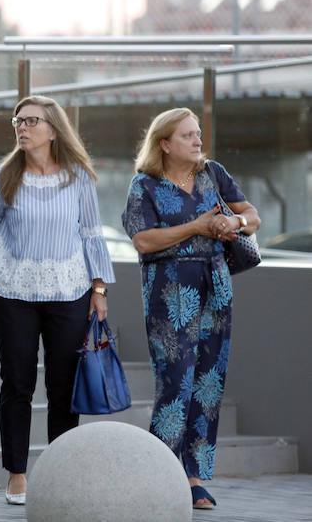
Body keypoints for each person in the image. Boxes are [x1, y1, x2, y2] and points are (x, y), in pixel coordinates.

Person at [0, 95, 115, 506]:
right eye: (19, 120)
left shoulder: (78, 176)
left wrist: (99, 290)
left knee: (63, 387)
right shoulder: (3, 174)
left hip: (69, 291)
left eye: (32, 120)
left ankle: (62, 473)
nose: (22, 127)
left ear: (53, 129)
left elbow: (91, 233)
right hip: (14, 294)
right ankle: (17, 474)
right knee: (17, 384)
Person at [121, 108, 260, 510]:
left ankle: (193, 477)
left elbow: (253, 216)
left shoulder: (212, 173)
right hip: (170, 289)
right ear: (164, 143)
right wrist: (197, 226)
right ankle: (159, 473)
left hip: (216, 284)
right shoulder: (144, 184)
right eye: (187, 135)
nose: (198, 141)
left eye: (198, 134)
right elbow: (143, 241)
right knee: (175, 381)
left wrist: (232, 224)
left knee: (208, 382)